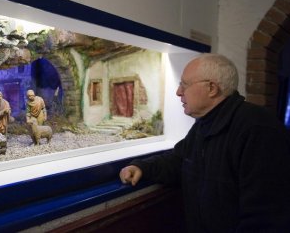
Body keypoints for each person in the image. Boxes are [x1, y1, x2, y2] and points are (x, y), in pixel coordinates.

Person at [119, 53, 290, 232]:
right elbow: (179, 161)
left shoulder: (258, 130)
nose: (178, 92)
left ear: (211, 88)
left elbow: (266, 217)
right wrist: (141, 167)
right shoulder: (205, 124)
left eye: (184, 84)